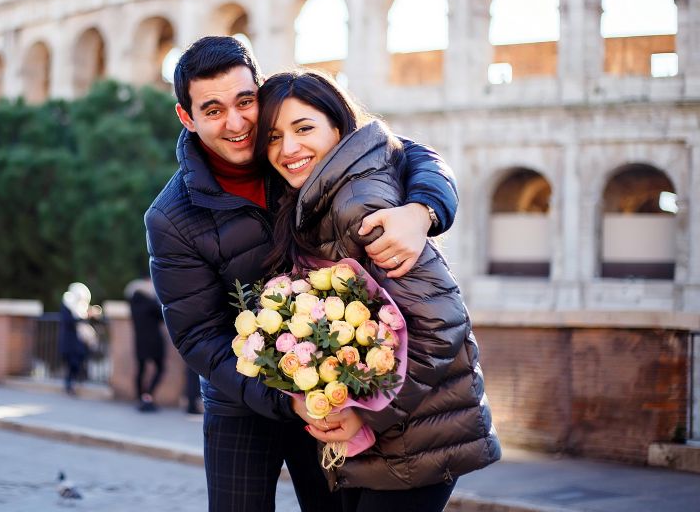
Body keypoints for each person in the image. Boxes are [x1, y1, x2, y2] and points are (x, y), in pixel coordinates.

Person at [144, 35, 460, 512]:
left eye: (245, 101)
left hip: (333, 380)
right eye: (212, 110)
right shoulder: (170, 217)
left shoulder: (293, 145)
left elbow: (405, 153)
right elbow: (198, 337)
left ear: (260, 90)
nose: (235, 123)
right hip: (242, 393)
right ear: (186, 117)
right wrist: (284, 397)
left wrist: (422, 211)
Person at [254, 70, 501, 512]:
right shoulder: (318, 197)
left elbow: (442, 324)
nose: (288, 149)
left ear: (339, 126)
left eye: (304, 128)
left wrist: (366, 413)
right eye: (273, 137)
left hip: (416, 437)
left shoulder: (362, 204)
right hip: (387, 441)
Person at [126, 278, 166, 412]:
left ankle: (140, 398)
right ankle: (148, 396)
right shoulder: (150, 302)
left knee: (141, 369)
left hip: (139, 341)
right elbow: (162, 315)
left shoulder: (133, 303)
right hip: (154, 341)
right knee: (160, 368)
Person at [57, 283, 91, 395]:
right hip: (69, 339)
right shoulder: (67, 303)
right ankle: (69, 385)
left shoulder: (80, 307)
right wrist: (82, 318)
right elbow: (68, 321)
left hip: (78, 340)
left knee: (78, 360)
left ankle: (73, 383)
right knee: (71, 362)